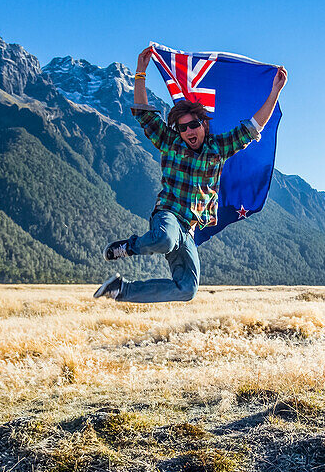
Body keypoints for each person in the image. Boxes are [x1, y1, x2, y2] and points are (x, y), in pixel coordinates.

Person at [94, 46, 287, 302]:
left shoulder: (219, 148)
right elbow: (143, 113)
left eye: (193, 125)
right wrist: (141, 72)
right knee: (163, 238)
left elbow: (254, 127)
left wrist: (275, 90)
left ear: (203, 124)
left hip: (189, 229)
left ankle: (120, 289)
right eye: (183, 128)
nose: (188, 131)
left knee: (187, 289)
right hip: (168, 216)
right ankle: (127, 247)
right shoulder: (170, 141)